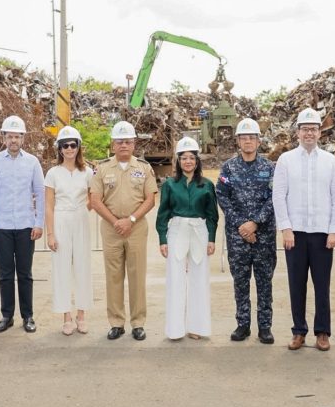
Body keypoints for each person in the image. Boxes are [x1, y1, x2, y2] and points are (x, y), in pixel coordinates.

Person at [273, 108, 335, 352]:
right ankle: (298, 331)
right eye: (305, 129)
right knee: (297, 284)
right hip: (296, 234)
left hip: (323, 234)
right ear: (298, 132)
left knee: (322, 285)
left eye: (313, 129)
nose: (309, 133)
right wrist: (285, 228)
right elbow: (279, 196)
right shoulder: (286, 160)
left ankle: (322, 332)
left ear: (320, 132)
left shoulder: (330, 161)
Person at [90, 121, 157, 341]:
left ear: (134, 144)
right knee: (113, 276)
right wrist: (115, 222)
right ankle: (116, 323)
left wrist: (130, 219)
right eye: (119, 141)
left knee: (137, 276)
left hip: (136, 228)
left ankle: (138, 323)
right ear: (113, 144)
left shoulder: (144, 168)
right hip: (111, 230)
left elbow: (150, 199)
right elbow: (95, 200)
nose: (124, 145)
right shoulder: (102, 168)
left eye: (128, 141)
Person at [216, 118, 277, 344]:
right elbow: (222, 196)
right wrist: (242, 225)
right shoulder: (228, 168)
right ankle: (243, 324)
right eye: (244, 138)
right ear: (238, 141)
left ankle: (265, 326)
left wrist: (256, 223)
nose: (248, 141)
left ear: (259, 141)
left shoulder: (270, 168)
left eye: (252, 137)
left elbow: (275, 198)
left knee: (264, 282)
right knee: (240, 282)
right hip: (238, 237)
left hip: (264, 237)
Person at [0, 116, 44, 334]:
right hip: (2, 225)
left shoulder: (33, 162)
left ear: (23, 138)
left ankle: (28, 316)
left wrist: (39, 223)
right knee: (6, 273)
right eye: (9, 136)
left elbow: (40, 194)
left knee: (25, 273)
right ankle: (7, 315)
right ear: (4, 138)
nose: (13, 140)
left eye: (17, 136)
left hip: (26, 226)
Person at [156, 137, 219, 341]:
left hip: (199, 231)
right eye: (184, 158)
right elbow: (163, 214)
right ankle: (175, 329)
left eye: (192, 158)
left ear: (197, 161)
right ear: (178, 161)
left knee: (199, 279)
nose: (188, 161)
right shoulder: (170, 185)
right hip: (177, 230)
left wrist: (211, 238)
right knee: (175, 279)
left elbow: (212, 215)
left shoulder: (207, 185)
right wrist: (163, 239)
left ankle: (196, 327)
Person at [44, 125, 93, 335]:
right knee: (62, 268)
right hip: (61, 219)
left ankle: (81, 314)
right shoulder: (53, 173)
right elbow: (48, 205)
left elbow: (95, 198)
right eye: (65, 145)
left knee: (82, 267)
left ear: (78, 147)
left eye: (73, 145)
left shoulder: (87, 172)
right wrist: (51, 233)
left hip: (80, 219)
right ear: (60, 149)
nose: (69, 149)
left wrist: (83, 209)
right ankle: (66, 315)